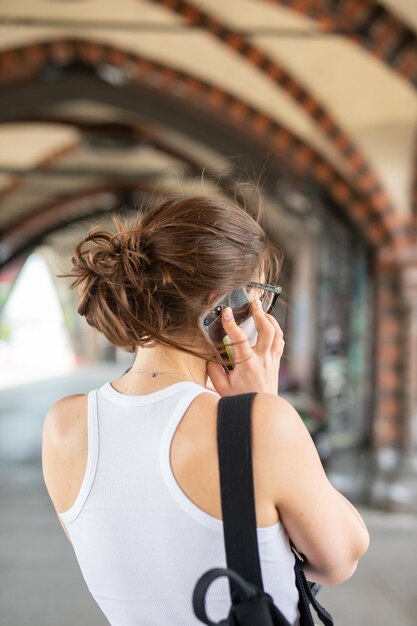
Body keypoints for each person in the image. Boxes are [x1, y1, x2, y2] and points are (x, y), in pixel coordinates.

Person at [42, 194, 369, 626]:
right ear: (225, 305)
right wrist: (261, 405)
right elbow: (341, 557)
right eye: (263, 295)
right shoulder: (262, 425)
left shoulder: (63, 425)